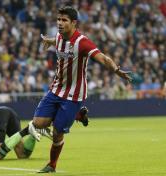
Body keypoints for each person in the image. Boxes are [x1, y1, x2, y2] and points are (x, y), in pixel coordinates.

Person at [26, 6, 132, 173]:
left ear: (74, 23)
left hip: (73, 95)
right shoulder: (60, 37)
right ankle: (77, 114)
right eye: (58, 19)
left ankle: (52, 165)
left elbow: (103, 58)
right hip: (56, 89)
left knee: (57, 133)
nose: (60, 23)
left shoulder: (82, 42)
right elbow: (59, 41)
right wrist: (50, 40)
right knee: (38, 123)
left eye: (64, 20)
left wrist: (117, 70)